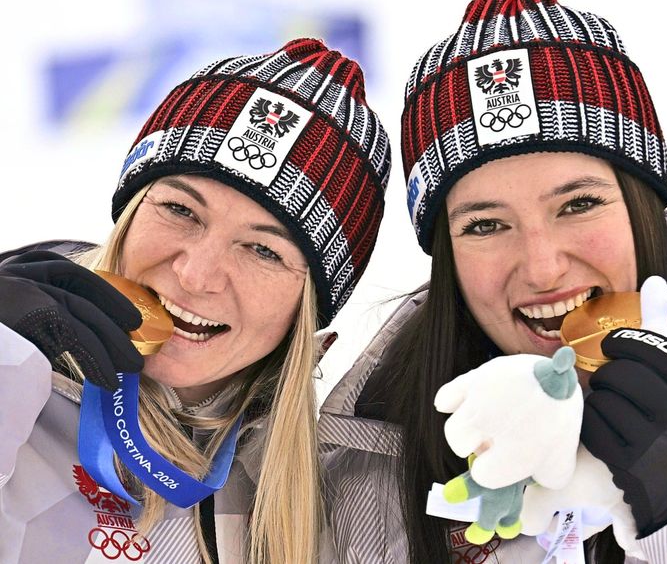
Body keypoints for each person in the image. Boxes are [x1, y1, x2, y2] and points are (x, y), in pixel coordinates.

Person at [319, 0, 667, 563]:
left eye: (578, 205)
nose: (544, 268)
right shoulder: (367, 463)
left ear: (640, 208)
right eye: (486, 226)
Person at [0, 37, 391, 563]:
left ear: (308, 306)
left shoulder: (340, 504)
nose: (197, 274)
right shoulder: (19, 384)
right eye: (182, 210)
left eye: (262, 249)